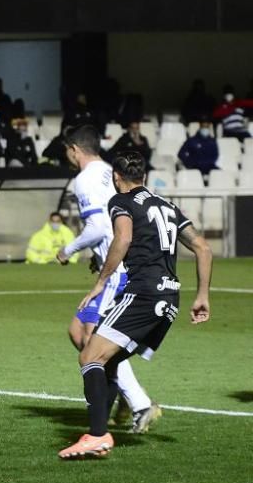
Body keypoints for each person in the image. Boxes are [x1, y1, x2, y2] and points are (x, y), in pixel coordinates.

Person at [59, 151, 212, 459]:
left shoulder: (121, 202)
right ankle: (120, 414)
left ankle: (98, 436)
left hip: (142, 294)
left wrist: (100, 282)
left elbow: (123, 238)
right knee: (110, 360)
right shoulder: (167, 205)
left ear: (117, 177)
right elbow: (203, 247)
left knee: (89, 355)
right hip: (170, 300)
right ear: (143, 176)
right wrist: (203, 296)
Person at [57, 126, 156, 432]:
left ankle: (138, 403)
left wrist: (68, 249)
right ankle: (124, 394)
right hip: (116, 265)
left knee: (95, 340)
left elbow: (99, 228)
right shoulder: (109, 172)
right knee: (78, 332)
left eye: (66, 152)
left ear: (74, 149)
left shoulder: (84, 179)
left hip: (118, 272)